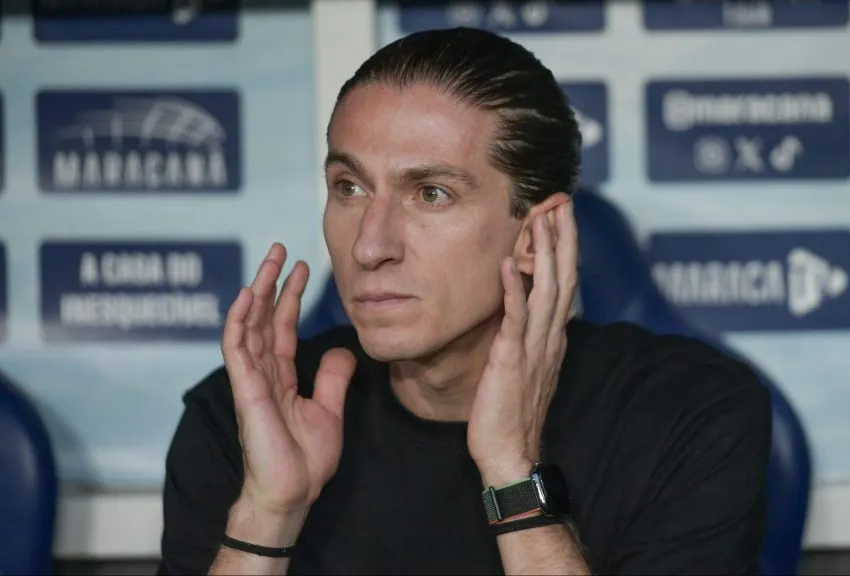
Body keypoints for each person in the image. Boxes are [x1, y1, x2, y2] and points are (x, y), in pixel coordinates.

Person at [157, 27, 772, 576]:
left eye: (431, 193)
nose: (369, 246)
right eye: (349, 187)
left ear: (536, 235)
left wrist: (513, 472)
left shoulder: (691, 413)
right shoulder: (248, 414)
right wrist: (267, 515)